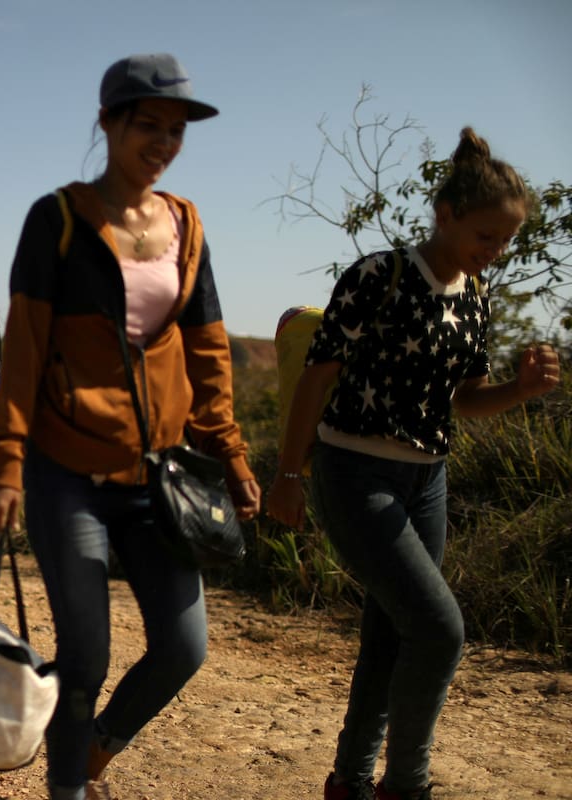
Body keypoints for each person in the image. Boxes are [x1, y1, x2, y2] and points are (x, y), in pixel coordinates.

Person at [0, 54, 260, 800]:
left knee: (183, 646)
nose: (164, 142)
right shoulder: (61, 220)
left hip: (159, 475)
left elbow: (207, 346)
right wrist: (6, 461)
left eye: (176, 130)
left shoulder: (186, 225)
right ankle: (67, 791)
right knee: (86, 658)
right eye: (148, 125)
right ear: (107, 122)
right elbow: (27, 346)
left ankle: (95, 749)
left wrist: (228, 452)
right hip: (66, 469)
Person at [266, 128, 562, 800]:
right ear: (446, 214)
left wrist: (520, 391)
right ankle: (409, 785)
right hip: (354, 474)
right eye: (486, 236)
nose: (496, 252)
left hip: (427, 480)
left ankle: (349, 781)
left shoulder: (475, 299)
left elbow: (463, 400)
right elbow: (317, 378)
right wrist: (289, 473)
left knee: (392, 632)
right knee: (438, 628)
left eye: (506, 241)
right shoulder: (378, 276)